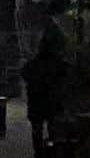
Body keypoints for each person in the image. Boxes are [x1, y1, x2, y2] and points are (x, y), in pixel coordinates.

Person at [21, 26, 70, 157]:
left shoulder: (34, 64)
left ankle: (38, 152)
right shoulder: (57, 64)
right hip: (52, 102)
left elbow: (25, 73)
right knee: (53, 129)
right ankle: (51, 151)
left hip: (36, 102)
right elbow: (65, 75)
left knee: (37, 130)